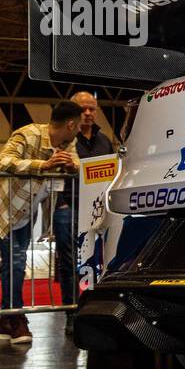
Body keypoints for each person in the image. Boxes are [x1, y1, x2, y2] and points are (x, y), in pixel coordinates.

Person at [0, 100, 82, 345]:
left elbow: (78, 165)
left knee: (15, 262)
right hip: (2, 207)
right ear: (70, 124)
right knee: (16, 261)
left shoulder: (68, 143)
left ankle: (7, 320)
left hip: (26, 211)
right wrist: (43, 165)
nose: (80, 130)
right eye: (78, 126)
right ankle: (17, 318)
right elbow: (2, 162)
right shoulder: (28, 134)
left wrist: (72, 166)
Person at [53, 91, 113, 332]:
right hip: (67, 207)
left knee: (98, 260)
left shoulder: (104, 140)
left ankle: (95, 309)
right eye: (83, 109)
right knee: (68, 263)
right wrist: (60, 204)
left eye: (92, 109)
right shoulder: (64, 137)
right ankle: (71, 312)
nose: (87, 113)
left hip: (97, 210)